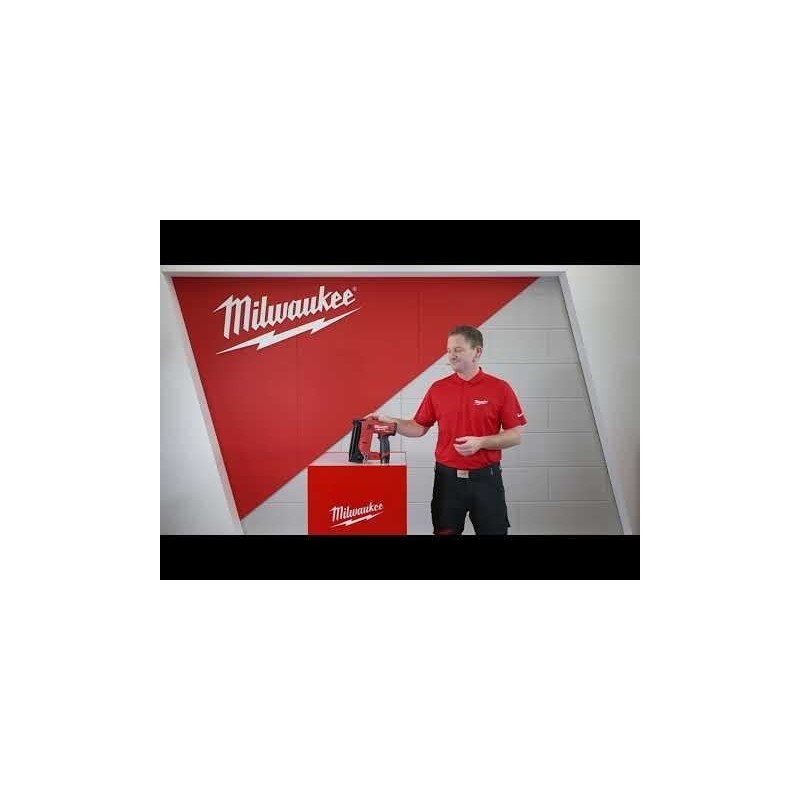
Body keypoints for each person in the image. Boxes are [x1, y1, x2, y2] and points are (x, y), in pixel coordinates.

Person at [368, 325, 526, 535]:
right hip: (447, 481)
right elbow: (418, 427)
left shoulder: (500, 388)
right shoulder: (438, 389)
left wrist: (481, 442)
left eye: (458, 350)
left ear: (477, 351)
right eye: (449, 350)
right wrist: (391, 422)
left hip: (486, 480)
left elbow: (515, 436)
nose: (451, 355)